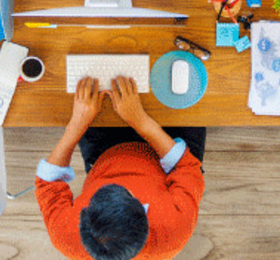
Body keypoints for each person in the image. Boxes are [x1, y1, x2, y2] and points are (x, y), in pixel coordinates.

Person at [36, 76, 205, 260]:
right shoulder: (174, 230)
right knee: (195, 86)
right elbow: (186, 167)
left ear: (83, 219)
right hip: (170, 153)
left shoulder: (66, 237)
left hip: (105, 152)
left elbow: (48, 182)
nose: (120, 179)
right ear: (145, 218)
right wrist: (141, 121)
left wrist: (77, 124)